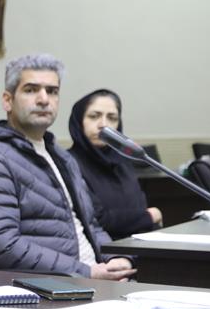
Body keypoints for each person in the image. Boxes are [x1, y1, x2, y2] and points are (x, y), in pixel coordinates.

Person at [0, 54, 136, 280]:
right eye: (31, 90)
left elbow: (91, 225)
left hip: (92, 277)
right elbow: (1, 244)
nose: (44, 99)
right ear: (7, 100)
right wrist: (87, 272)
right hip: (55, 286)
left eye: (52, 91)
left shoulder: (62, 157)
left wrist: (116, 258)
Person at [67, 89, 162, 240]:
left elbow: (139, 206)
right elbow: (96, 219)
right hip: (104, 249)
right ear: (79, 121)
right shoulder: (68, 162)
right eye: (94, 116)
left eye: (112, 118)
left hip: (140, 244)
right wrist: (149, 216)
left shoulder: (123, 162)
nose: (103, 125)